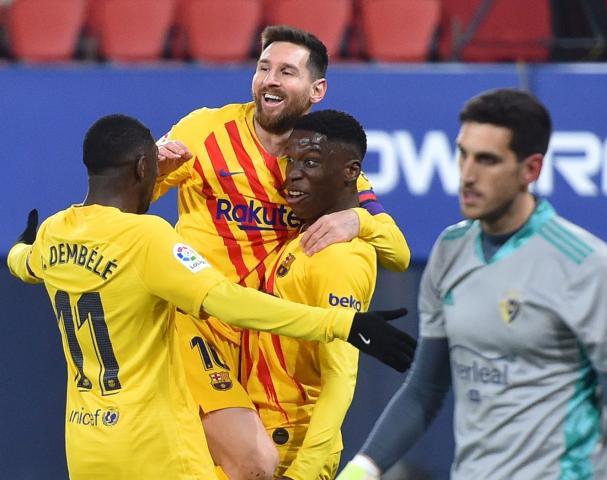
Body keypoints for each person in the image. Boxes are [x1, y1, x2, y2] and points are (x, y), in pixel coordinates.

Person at [6, 114, 416, 480]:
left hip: (86, 448)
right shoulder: (148, 238)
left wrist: (17, 249)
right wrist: (343, 323)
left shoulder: (54, 232)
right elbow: (225, 299)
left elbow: (24, 263)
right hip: (154, 449)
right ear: (145, 167)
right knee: (258, 464)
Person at [337, 88, 607, 479]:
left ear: (530, 170)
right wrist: (363, 468)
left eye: (487, 160)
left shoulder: (590, 268)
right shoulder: (450, 250)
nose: (467, 174)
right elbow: (425, 389)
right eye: (463, 154)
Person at [154, 25, 410, 479]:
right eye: (263, 68)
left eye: (286, 72)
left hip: (269, 340)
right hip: (201, 327)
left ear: (316, 90)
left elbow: (400, 252)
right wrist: (153, 170)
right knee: (254, 463)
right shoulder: (204, 131)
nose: (270, 79)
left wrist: (358, 220)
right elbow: (132, 198)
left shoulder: (321, 163)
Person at [242, 110, 376, 479]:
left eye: (311, 162)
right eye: (292, 161)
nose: (294, 174)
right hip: (257, 436)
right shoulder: (304, 236)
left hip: (289, 449)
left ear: (350, 172)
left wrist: (302, 473)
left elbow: (341, 377)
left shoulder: (340, 258)